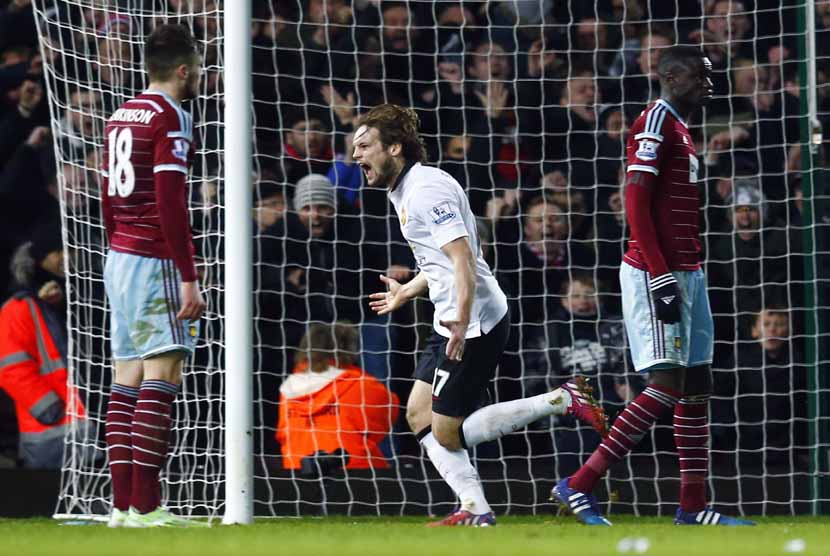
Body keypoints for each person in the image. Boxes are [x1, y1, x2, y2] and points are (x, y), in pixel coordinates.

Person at [355, 104, 608, 527]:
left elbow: (465, 259)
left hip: (472, 322)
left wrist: (460, 320)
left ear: (394, 147)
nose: (356, 156)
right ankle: (475, 509)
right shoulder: (409, 187)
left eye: (364, 146)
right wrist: (409, 291)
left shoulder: (425, 192)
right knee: (418, 414)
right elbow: (442, 262)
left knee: (446, 432)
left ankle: (561, 400)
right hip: (452, 316)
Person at [552, 46, 755, 526]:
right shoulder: (655, 122)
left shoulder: (683, 129)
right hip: (654, 271)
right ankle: (578, 484)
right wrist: (660, 270)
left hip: (691, 271)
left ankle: (692, 508)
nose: (709, 82)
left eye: (711, 75)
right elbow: (635, 200)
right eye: (699, 76)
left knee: (698, 386)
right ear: (670, 76)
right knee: (666, 383)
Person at [99, 24, 208, 529]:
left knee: (125, 379)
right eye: (200, 67)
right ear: (183, 69)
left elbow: (105, 194)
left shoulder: (121, 113)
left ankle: (122, 508)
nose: (202, 76)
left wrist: (114, 245)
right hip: (153, 257)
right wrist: (187, 274)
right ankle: (146, 507)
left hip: (118, 255)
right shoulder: (171, 116)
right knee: (161, 375)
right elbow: (170, 201)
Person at [0, 221, 86, 469]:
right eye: (57, 250)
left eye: (70, 249)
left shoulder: (83, 297)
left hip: (83, 429)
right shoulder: (18, 308)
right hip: (51, 433)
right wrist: (49, 408)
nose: (66, 257)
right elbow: (11, 368)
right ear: (39, 259)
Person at [276, 323, 399, 472]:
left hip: (297, 472)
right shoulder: (361, 384)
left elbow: (283, 435)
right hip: (358, 472)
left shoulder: (288, 389)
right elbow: (387, 417)